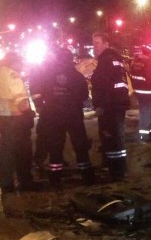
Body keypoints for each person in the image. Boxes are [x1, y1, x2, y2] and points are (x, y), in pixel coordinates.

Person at [32, 48, 94, 185]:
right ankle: (87, 176)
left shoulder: (48, 75)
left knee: (55, 147)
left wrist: (44, 105)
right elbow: (84, 95)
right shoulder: (77, 76)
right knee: (80, 146)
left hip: (54, 116)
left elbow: (39, 92)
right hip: (74, 115)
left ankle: (55, 177)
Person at [91, 33, 130, 181]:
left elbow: (104, 86)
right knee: (115, 136)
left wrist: (100, 105)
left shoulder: (106, 61)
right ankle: (116, 166)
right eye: (93, 43)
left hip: (110, 106)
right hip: (116, 104)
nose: (94, 47)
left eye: (97, 43)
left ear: (106, 44)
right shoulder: (114, 59)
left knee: (112, 137)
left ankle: (117, 171)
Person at [0, 52, 36, 192]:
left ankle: (6, 181)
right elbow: (20, 100)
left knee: (6, 150)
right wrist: (28, 112)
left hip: (2, 118)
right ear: (14, 63)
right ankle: (25, 181)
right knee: (23, 151)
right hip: (16, 119)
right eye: (19, 63)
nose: (21, 67)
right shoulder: (13, 76)